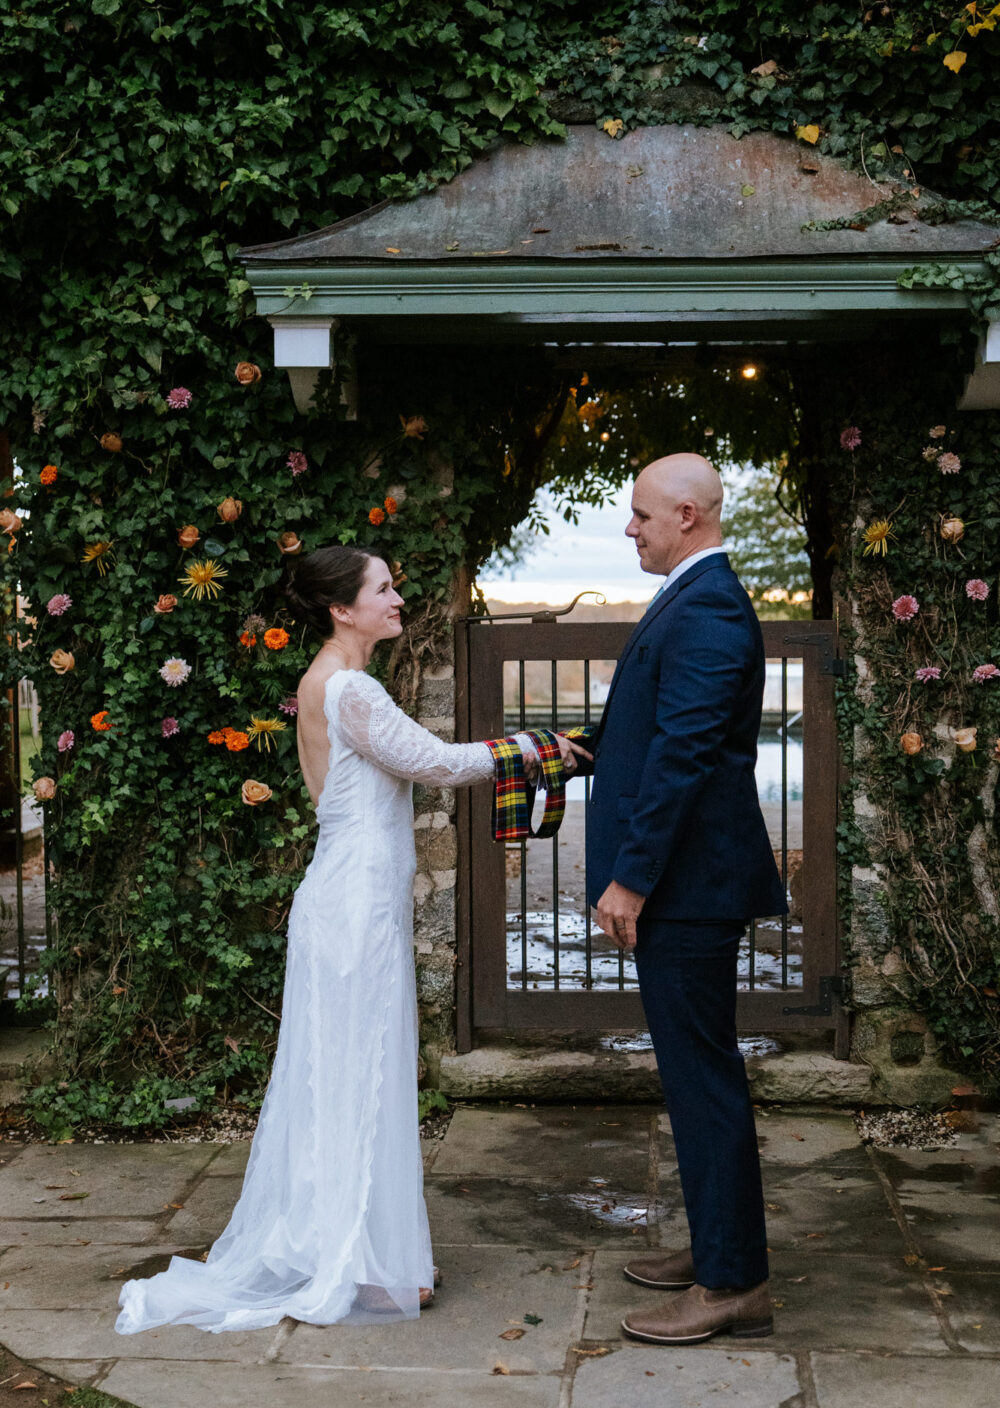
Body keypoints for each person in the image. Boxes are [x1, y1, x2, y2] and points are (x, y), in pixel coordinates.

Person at [116, 545, 584, 1334]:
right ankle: (363, 1262)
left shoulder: (323, 684)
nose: (398, 598)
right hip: (354, 909)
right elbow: (434, 762)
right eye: (384, 588)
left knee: (349, 1071)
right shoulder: (351, 686)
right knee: (359, 1071)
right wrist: (533, 748)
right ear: (342, 607)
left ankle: (362, 1250)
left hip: (348, 900)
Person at [585, 453, 786, 1346]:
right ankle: (715, 1247)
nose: (630, 528)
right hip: (688, 885)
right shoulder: (695, 596)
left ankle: (733, 1282)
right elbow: (645, 730)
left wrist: (631, 877)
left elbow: (684, 758)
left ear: (689, 516)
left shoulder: (706, 607)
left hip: (688, 888)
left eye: (640, 515)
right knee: (694, 1075)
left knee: (704, 1082)